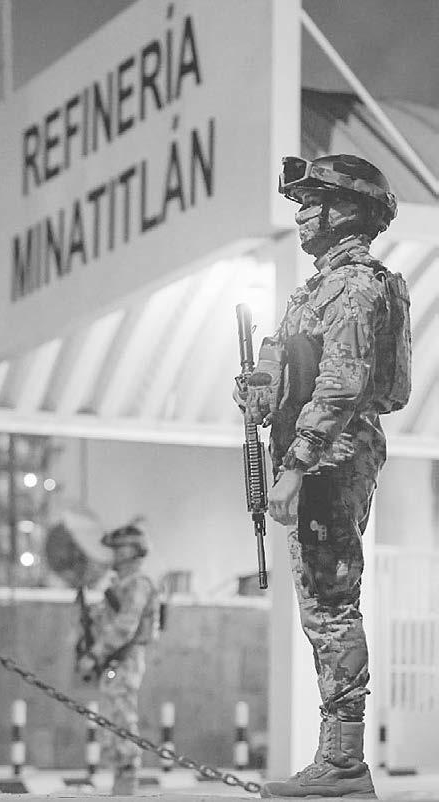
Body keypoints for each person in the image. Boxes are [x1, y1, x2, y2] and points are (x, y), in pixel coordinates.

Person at [236, 154, 411, 799]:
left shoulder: (354, 287)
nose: (303, 214)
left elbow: (341, 386)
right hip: (317, 457)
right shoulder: (318, 290)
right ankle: (335, 760)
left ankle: (343, 764)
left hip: (330, 460)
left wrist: (295, 465)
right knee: (321, 606)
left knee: (333, 607)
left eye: (315, 202)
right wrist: (261, 391)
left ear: (350, 212)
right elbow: (297, 376)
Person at [76, 519, 158, 795]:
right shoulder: (119, 585)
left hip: (125, 659)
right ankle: (120, 783)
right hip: (114, 661)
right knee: (112, 720)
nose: (114, 554)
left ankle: (127, 784)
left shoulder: (138, 584)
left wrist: (95, 654)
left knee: (122, 719)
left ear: (132, 551)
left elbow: (125, 626)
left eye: (120, 549)